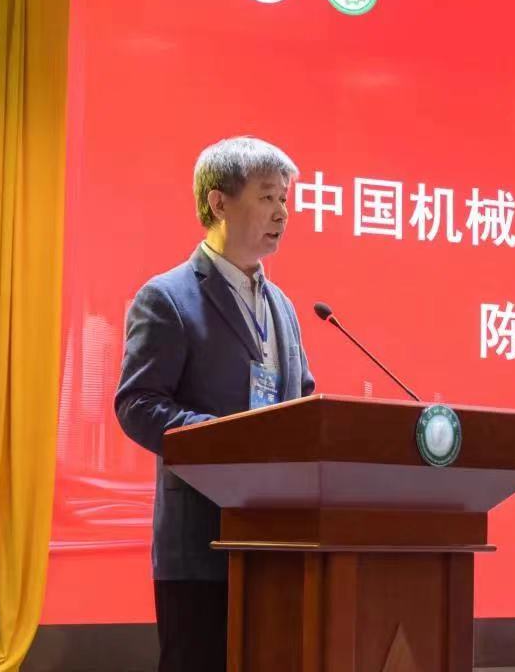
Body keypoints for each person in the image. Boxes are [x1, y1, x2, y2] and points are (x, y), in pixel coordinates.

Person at [114, 136, 315, 672]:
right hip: (200, 544)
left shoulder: (283, 307)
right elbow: (138, 404)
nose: (282, 213)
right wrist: (224, 440)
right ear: (218, 202)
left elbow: (303, 401)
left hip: (277, 541)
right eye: (267, 197)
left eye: (284, 199)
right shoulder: (168, 297)